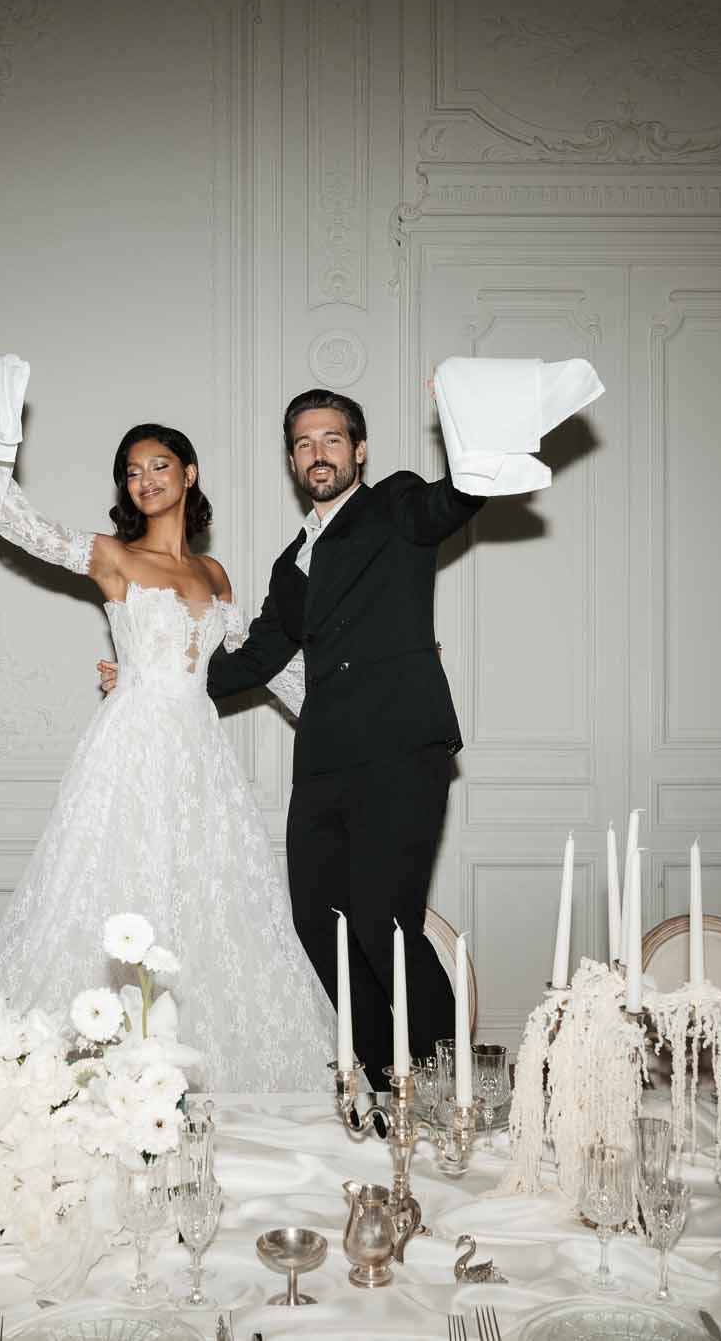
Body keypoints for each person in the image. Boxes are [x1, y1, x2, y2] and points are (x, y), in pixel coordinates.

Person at [0, 402, 335, 1092]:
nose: (144, 479)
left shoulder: (215, 575)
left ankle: (195, 1089)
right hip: (131, 751)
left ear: (188, 473)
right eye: (131, 472)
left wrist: (354, 708)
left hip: (200, 759)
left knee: (210, 907)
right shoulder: (115, 557)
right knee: (113, 896)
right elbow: (22, 526)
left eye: (159, 465)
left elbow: (262, 665)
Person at [202, 387, 485, 1084]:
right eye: (303, 443)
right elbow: (256, 656)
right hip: (324, 760)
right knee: (318, 923)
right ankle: (389, 1079)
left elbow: (453, 501)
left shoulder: (395, 504)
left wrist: (480, 439)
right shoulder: (292, 561)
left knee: (384, 922)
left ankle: (446, 1081)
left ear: (358, 450)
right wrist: (161, 678)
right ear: (292, 460)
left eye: (331, 439)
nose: (316, 453)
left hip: (399, 748)